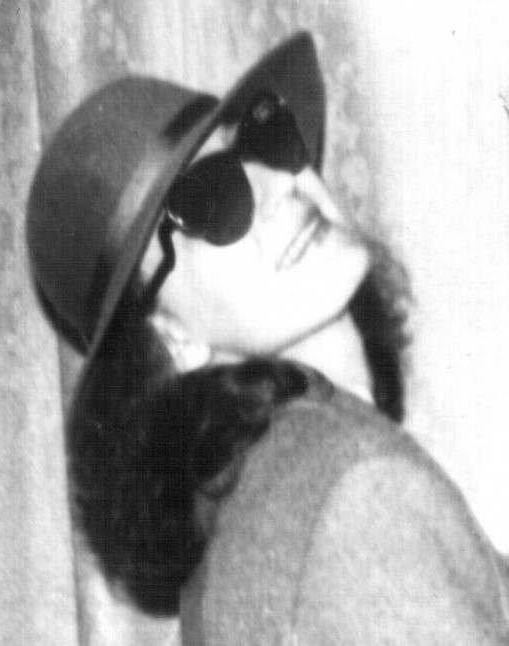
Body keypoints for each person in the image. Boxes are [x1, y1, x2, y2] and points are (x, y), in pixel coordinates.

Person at [27, 32, 509, 644]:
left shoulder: (263, 508)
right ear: (172, 338)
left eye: (266, 138)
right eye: (213, 198)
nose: (280, 184)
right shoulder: (355, 491)